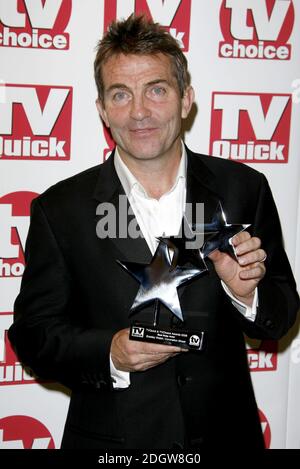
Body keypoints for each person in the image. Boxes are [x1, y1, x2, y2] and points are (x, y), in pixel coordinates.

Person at [9, 15, 299, 450]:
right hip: (115, 444)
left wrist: (247, 295)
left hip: (224, 437)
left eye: (157, 90)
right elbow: (33, 335)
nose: (139, 112)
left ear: (186, 100)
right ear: (103, 109)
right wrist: (110, 352)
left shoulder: (243, 188)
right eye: (121, 94)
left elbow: (283, 313)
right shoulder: (60, 209)